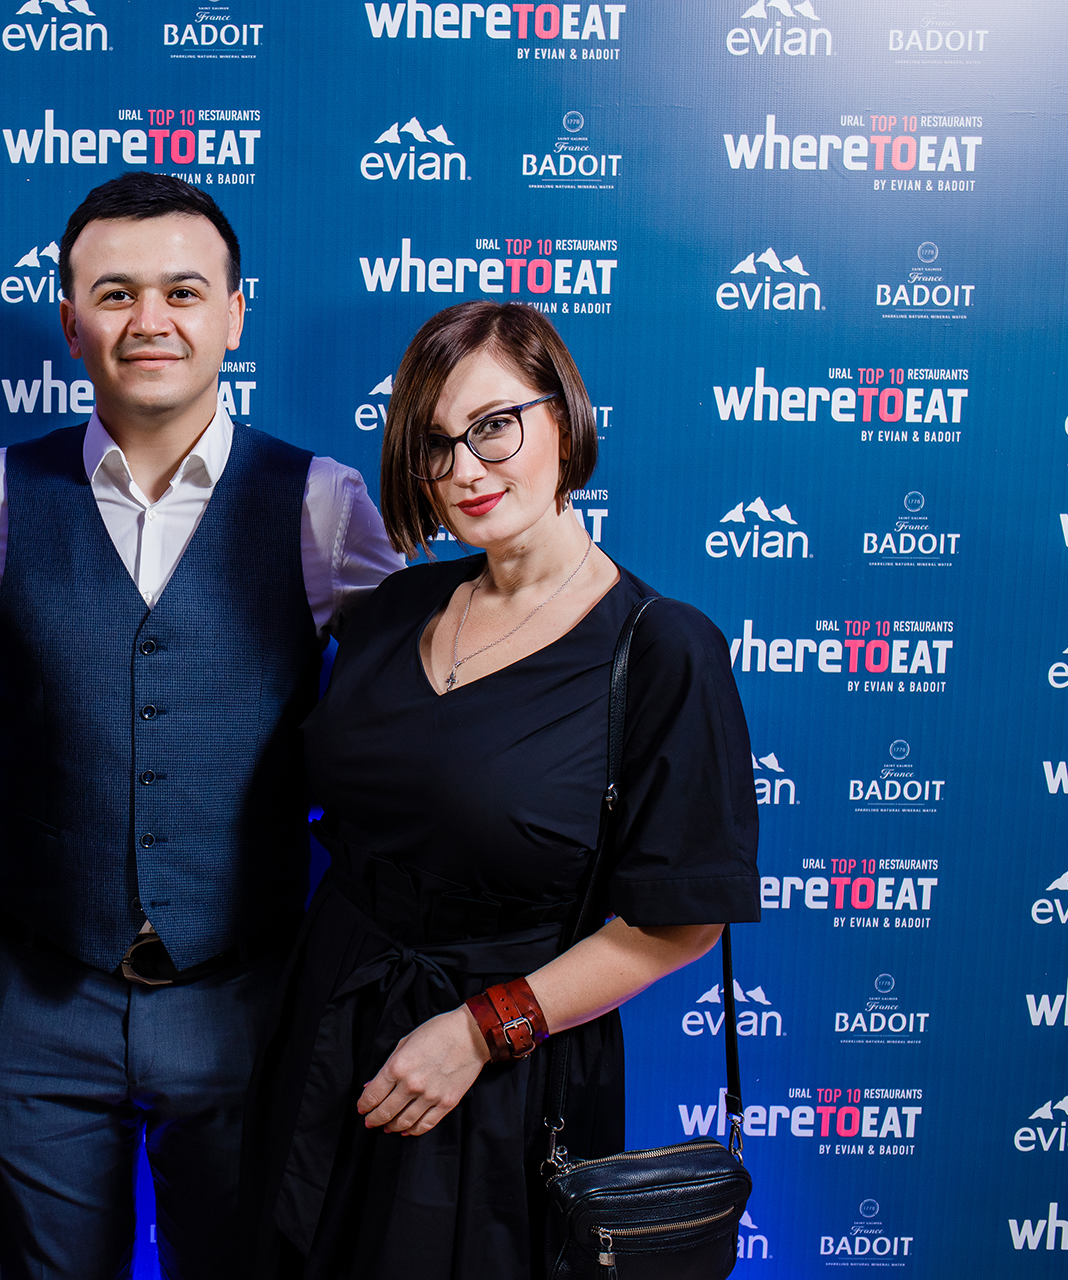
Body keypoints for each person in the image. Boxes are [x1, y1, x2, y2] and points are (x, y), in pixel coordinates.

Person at [0, 172, 402, 1279]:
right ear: (71, 323)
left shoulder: (324, 502)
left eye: (184, 291)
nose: (151, 320)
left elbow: (412, 717)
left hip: (249, 998)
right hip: (35, 996)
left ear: (235, 313)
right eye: (117, 293)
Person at [240, 301, 761, 1279]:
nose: (465, 470)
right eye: (436, 445)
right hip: (326, 1035)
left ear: (563, 416)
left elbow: (682, 924)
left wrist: (484, 1031)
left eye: (493, 427)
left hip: (501, 1082)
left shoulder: (662, 648)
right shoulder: (391, 610)